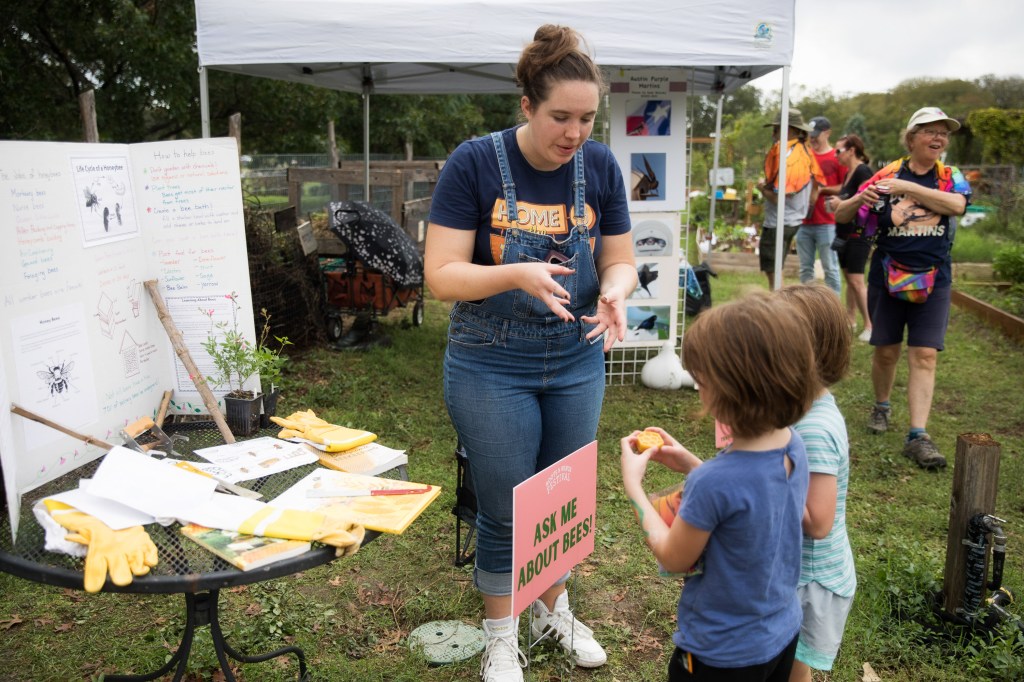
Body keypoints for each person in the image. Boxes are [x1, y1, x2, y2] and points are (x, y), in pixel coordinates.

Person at [423, 24, 637, 682]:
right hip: (492, 361)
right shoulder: (476, 162)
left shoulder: (599, 166)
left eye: (586, 118)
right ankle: (499, 633)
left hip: (575, 360)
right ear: (526, 107)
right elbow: (441, 275)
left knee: (561, 501)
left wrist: (614, 293)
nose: (574, 133)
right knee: (508, 504)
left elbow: (621, 260)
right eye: (559, 117)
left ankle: (553, 610)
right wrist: (515, 274)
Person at [620, 292, 815, 681]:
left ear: (728, 392)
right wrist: (691, 462)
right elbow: (749, 492)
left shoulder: (714, 483)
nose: (697, 387)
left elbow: (674, 559)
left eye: (703, 378)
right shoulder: (793, 443)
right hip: (780, 634)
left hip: (720, 655)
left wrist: (634, 488)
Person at [834, 107, 972, 470]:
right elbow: (842, 216)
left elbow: (957, 205)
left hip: (934, 278)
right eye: (929, 131)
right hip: (888, 275)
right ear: (911, 138)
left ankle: (917, 434)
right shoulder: (885, 174)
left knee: (925, 354)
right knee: (885, 352)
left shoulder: (950, 176)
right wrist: (856, 200)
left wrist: (907, 188)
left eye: (943, 132)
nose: (938, 138)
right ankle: (881, 406)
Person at [775, 284, 856, 682]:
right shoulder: (798, 410)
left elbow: (818, 522)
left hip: (810, 582)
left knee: (793, 669)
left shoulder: (816, 429)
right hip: (795, 572)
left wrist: (762, 487)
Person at [757, 109, 825, 290]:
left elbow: (780, 198)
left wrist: (762, 188)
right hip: (792, 219)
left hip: (780, 221)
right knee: (776, 266)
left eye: (777, 129)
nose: (773, 133)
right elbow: (815, 189)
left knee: (773, 270)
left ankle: (777, 305)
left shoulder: (790, 157)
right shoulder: (805, 152)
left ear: (792, 130)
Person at [827, 134, 875, 341]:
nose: (835, 155)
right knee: (850, 279)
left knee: (856, 281)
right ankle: (851, 319)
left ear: (852, 150)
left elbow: (867, 199)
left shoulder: (863, 171)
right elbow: (849, 197)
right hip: (843, 234)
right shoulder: (849, 173)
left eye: (838, 150)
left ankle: (870, 325)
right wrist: (835, 200)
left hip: (858, 234)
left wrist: (840, 203)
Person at [797, 116, 844, 296]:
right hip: (804, 221)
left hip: (827, 222)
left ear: (828, 133)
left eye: (816, 135)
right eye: (811, 135)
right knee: (805, 268)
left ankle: (833, 311)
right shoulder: (804, 155)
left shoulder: (836, 157)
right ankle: (809, 307)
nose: (813, 139)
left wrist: (822, 190)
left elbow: (844, 186)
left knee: (830, 268)